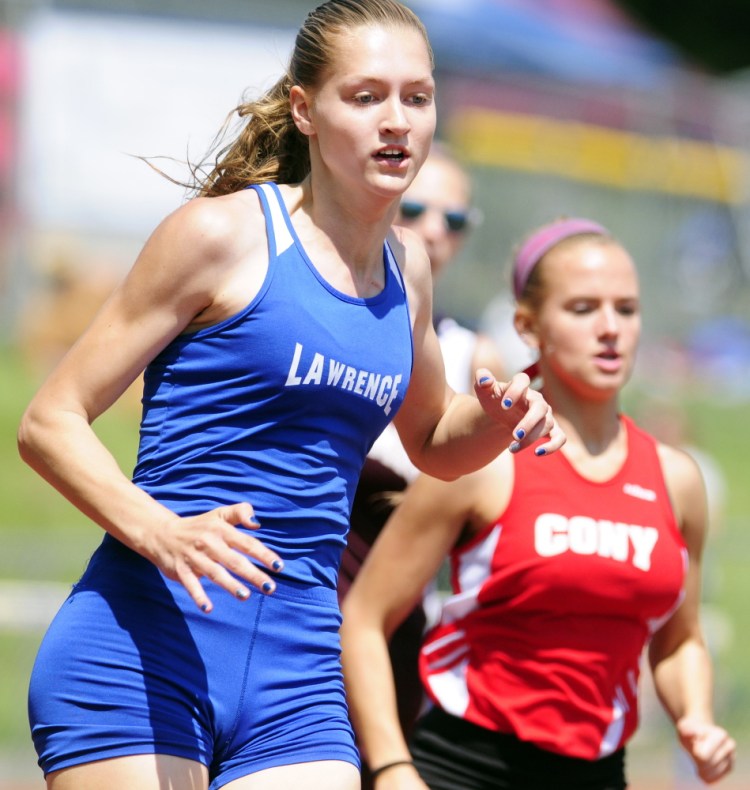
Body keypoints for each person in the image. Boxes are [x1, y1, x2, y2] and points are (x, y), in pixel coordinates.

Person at [16, 2, 564, 790]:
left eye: (417, 97)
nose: (397, 122)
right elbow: (49, 422)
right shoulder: (219, 236)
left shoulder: (407, 267)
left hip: (297, 670)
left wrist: (501, 418)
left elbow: (435, 443)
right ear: (305, 109)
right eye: (366, 96)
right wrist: (161, 531)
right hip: (144, 645)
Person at [340, 217, 736, 789]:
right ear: (529, 325)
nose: (610, 329)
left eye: (625, 309)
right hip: (465, 768)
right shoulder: (481, 461)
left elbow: (679, 640)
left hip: (600, 774)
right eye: (582, 309)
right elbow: (365, 618)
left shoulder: (678, 480)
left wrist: (695, 717)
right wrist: (393, 768)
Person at [337, 144, 506, 768]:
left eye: (455, 219)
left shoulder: (474, 357)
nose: (435, 230)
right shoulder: (327, 317)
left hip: (396, 618)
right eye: (417, 208)